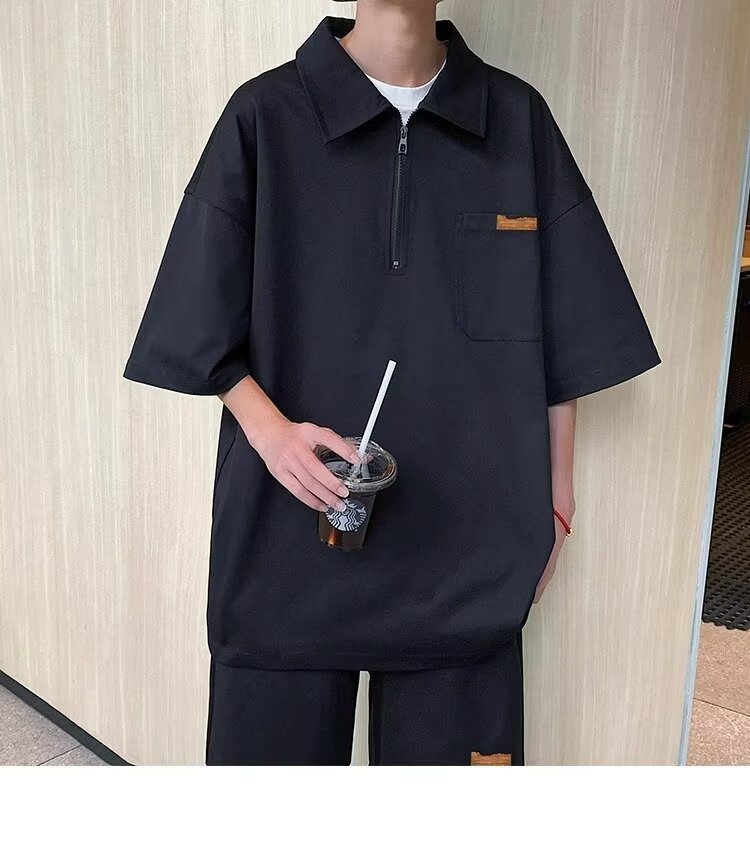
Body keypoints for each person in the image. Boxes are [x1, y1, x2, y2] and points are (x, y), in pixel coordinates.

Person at [124, 0, 661, 766]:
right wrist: (272, 436)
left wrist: (557, 496)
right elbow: (199, 321)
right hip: (288, 543)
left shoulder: (516, 121)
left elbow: (565, 330)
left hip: (468, 554)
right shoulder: (264, 116)